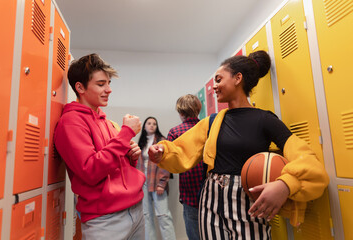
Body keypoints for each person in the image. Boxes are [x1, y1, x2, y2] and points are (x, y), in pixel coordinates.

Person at [148, 50, 329, 239]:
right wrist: (162, 151)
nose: (214, 87)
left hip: (249, 203)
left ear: (237, 78)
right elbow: (180, 150)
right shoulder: (211, 122)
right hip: (210, 202)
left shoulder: (265, 119)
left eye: (218, 80)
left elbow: (308, 161)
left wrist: (285, 184)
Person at [54, 53, 146, 239]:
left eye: (109, 83)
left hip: (135, 209)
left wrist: (131, 156)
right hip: (106, 220)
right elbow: (91, 170)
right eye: (101, 84)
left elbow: (116, 165)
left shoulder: (107, 122)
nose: (109, 89)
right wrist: (127, 133)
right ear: (80, 87)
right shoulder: (70, 122)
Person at [166, 94, 203, 240]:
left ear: (181, 112)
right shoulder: (208, 128)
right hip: (210, 193)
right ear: (198, 109)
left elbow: (170, 165)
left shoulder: (175, 132)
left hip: (190, 194)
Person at [136, 117, 176, 240]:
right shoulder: (141, 143)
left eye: (154, 123)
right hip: (143, 182)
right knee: (146, 215)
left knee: (163, 215)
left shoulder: (162, 141)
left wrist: (162, 183)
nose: (152, 125)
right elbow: (138, 164)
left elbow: (165, 163)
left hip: (157, 181)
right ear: (144, 126)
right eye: (149, 123)